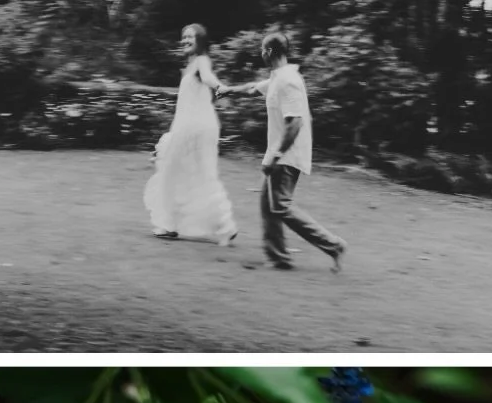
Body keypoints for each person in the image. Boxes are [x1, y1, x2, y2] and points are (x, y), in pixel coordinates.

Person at [224, 32, 345, 272]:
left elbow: (295, 123)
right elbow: (251, 88)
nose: (260, 53)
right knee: (267, 204)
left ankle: (333, 245)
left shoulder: (288, 80)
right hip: (280, 152)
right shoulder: (278, 78)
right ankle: (278, 258)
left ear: (269, 52)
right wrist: (227, 90)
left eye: (262, 49)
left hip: (287, 155)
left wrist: (277, 156)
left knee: (280, 206)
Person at [143, 24, 237, 245]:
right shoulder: (191, 64)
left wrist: (220, 87)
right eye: (183, 37)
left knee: (171, 172)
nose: (185, 40)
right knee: (198, 174)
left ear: (200, 41)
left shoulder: (201, 61)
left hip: (193, 129)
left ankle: (168, 225)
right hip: (194, 126)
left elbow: (208, 78)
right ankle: (225, 224)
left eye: (190, 37)